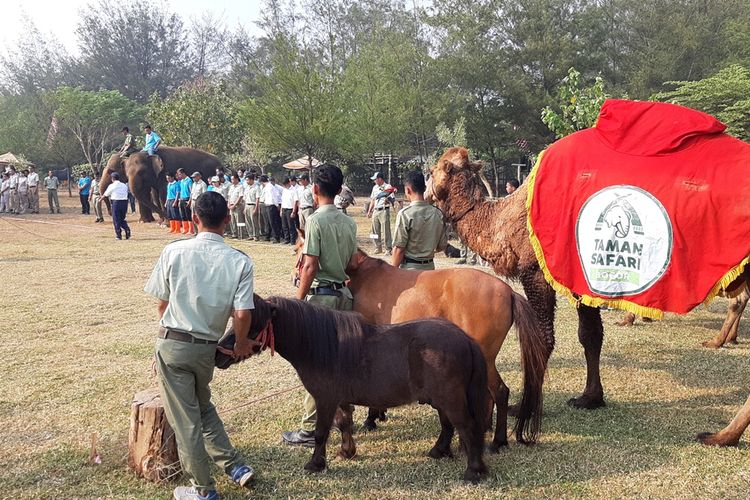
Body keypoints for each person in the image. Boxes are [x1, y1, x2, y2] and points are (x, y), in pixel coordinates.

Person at [144, 191, 256, 500]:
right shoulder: (240, 260)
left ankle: (203, 490)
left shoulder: (174, 251)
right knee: (202, 406)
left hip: (174, 343)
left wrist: (163, 342)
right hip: (207, 348)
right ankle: (234, 466)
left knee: (186, 420)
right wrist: (243, 342)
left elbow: (162, 305)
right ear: (228, 219)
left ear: (194, 218)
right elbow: (243, 313)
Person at [282, 164, 357, 446]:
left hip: (321, 300)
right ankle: (345, 418)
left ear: (315, 189)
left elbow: (310, 265)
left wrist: (298, 301)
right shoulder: (349, 222)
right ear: (339, 191)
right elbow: (351, 264)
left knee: (316, 366)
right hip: (345, 298)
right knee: (342, 362)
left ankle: (310, 428)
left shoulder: (314, 221)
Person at [392, 170, 447, 270]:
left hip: (410, 271)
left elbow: (399, 249)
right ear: (425, 189)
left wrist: (392, 272)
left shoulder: (405, 214)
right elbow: (442, 245)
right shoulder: (438, 213)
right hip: (430, 269)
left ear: (408, 190)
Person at [366, 172, 395, 255]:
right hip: (376, 210)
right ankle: (377, 247)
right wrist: (369, 211)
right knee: (374, 230)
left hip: (384, 210)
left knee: (386, 230)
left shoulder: (388, 187)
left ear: (380, 179)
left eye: (375, 179)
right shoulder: (374, 188)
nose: (374, 181)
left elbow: (392, 198)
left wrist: (388, 199)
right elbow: (373, 200)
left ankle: (388, 248)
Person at [101, 172, 131, 240]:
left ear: (112, 179)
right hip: (124, 202)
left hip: (116, 202)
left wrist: (100, 200)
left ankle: (118, 235)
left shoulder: (112, 185)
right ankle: (127, 229)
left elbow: (106, 194)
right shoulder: (124, 185)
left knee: (116, 219)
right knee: (122, 218)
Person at [260, 175, 282, 243]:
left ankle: (276, 237)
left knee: (273, 222)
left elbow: (274, 197)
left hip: (272, 206)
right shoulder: (267, 187)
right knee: (268, 222)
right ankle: (269, 236)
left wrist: (277, 205)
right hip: (267, 205)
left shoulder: (269, 187)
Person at [280, 177, 298, 244]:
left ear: (288, 183)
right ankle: (287, 239)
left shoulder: (293, 190)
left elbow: (295, 201)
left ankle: (293, 240)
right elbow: (282, 201)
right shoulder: (284, 190)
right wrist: (281, 210)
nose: (284, 186)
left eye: (285, 184)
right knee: (284, 225)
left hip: (290, 209)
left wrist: (293, 211)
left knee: (291, 226)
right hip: (284, 208)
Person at [243, 174, 261, 240]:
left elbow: (257, 199)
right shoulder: (246, 188)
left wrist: (256, 208)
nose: (247, 181)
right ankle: (250, 234)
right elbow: (245, 199)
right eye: (246, 180)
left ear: (251, 180)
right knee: (248, 221)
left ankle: (256, 235)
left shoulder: (256, 187)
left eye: (248, 180)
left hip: (253, 205)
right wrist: (245, 208)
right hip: (247, 205)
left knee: (254, 221)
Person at [227, 174, 246, 239]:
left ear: (236, 179)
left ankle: (241, 234)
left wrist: (235, 205)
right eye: (231, 179)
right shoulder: (231, 187)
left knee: (239, 220)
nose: (232, 181)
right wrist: (229, 204)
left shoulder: (240, 186)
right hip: (231, 205)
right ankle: (234, 234)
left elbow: (240, 196)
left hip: (238, 206)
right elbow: (229, 196)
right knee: (232, 220)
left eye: (233, 179)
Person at [176, 168, 193, 234]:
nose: (179, 176)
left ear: (183, 173)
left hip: (187, 198)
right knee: (183, 215)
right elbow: (180, 191)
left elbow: (191, 191)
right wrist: (179, 199)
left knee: (188, 214)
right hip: (182, 199)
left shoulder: (189, 180)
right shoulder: (181, 181)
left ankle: (191, 229)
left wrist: (190, 200)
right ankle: (185, 229)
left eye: (180, 174)